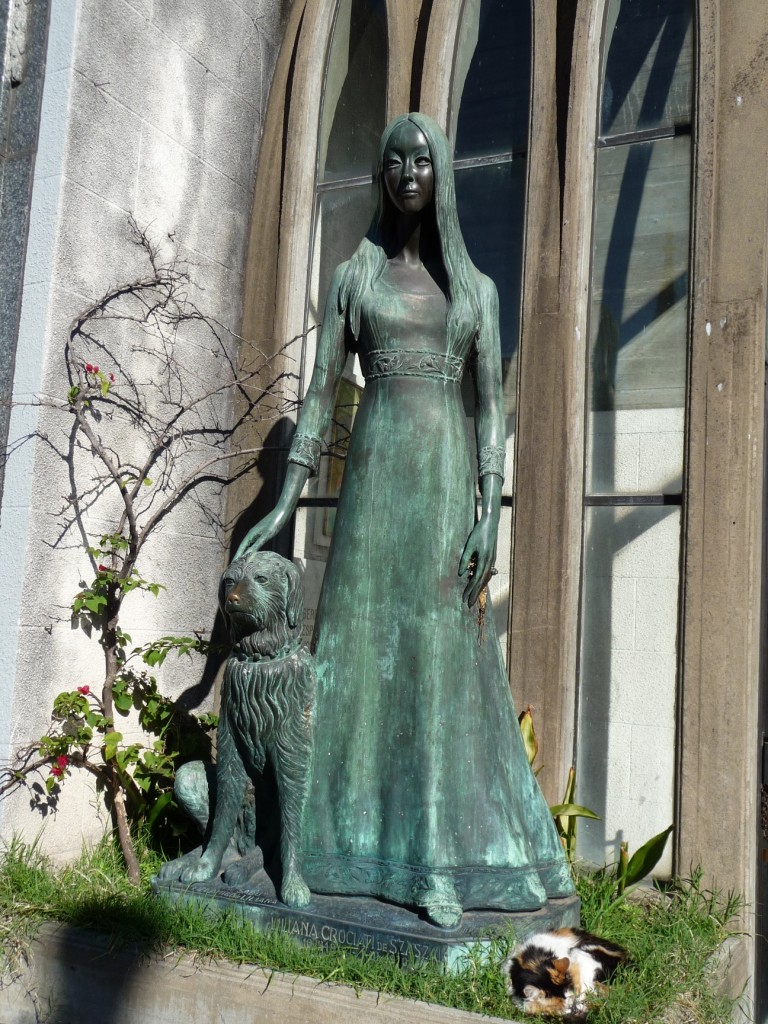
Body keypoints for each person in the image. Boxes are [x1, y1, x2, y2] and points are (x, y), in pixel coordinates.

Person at [235, 112, 574, 928]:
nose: (408, 171)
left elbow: (490, 408)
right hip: (373, 484)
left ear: (441, 175)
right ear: (383, 176)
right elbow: (321, 394)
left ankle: (434, 860)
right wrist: (284, 499)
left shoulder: (477, 292)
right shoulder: (356, 280)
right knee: (350, 653)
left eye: (423, 160)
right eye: (394, 160)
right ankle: (321, 849)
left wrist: (490, 509)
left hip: (446, 485)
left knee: (431, 664)